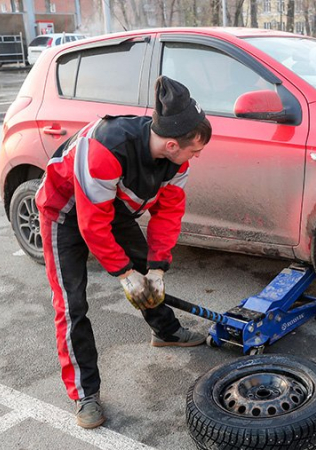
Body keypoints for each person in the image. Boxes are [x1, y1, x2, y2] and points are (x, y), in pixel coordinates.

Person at [36, 76, 212, 429]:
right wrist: (124, 274)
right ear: (173, 143)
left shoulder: (176, 162)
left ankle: (165, 332)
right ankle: (85, 394)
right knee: (72, 304)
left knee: (146, 264)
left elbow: (169, 212)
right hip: (63, 211)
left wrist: (157, 268)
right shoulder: (108, 148)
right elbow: (91, 225)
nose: (197, 156)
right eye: (194, 149)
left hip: (107, 206)